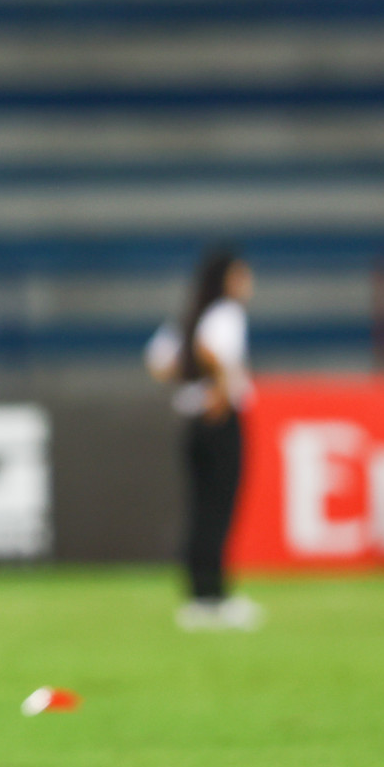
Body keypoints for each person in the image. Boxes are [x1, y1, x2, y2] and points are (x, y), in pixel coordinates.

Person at [145, 247, 264, 632]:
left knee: (200, 511)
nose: (247, 283)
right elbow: (212, 351)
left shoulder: (187, 315)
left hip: (191, 420)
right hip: (220, 421)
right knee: (219, 510)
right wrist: (221, 387)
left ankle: (198, 595)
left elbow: (158, 362)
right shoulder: (225, 313)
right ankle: (214, 597)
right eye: (241, 275)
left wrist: (192, 377)